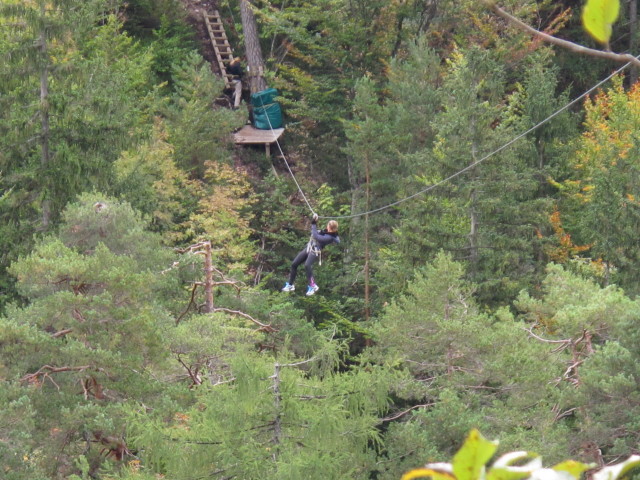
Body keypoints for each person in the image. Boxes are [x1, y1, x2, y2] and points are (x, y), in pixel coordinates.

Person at [282, 214, 340, 296]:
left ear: (330, 227)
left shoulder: (330, 237)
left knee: (307, 265)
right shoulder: (326, 232)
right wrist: (315, 222)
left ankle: (312, 285)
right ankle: (290, 285)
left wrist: (313, 224)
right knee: (294, 264)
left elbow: (317, 237)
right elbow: (316, 233)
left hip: (315, 250)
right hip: (309, 248)